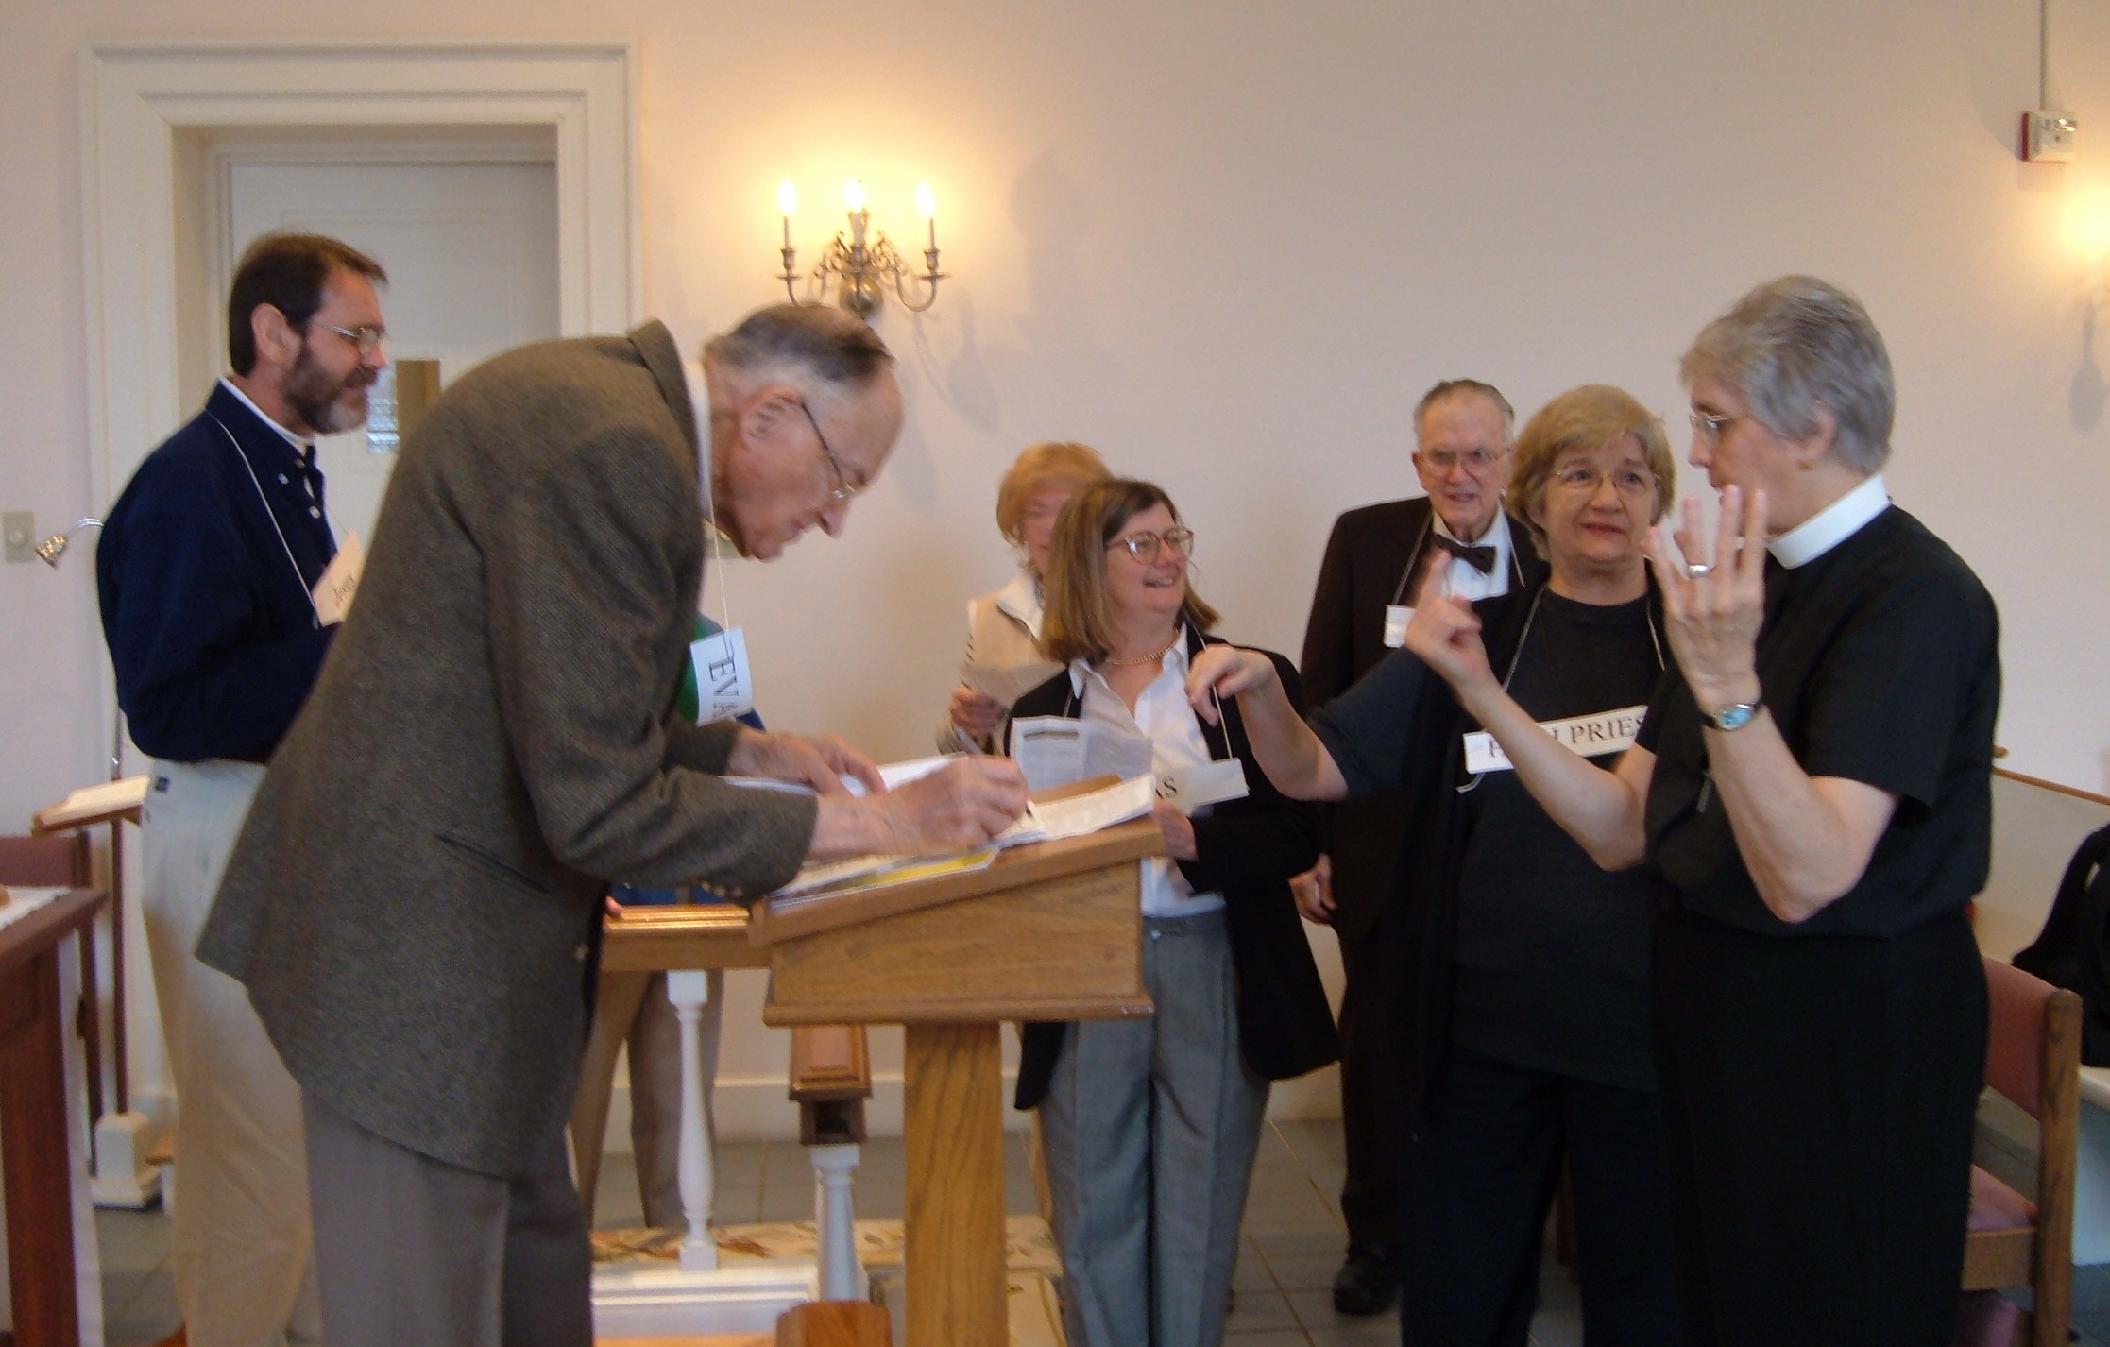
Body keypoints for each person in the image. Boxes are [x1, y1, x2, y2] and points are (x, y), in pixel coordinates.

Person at [197, 304, 1029, 1347]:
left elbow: (553, 719)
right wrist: (887, 825)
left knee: (538, 1293)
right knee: (426, 1318)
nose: (835, 520)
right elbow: (598, 806)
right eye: (845, 479)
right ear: (771, 413)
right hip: (416, 974)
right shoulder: (616, 449)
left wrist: (744, 752)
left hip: (463, 967)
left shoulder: (610, 407)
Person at [1396, 277, 1999, 1345]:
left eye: (1718, 423)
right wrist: (1480, 688)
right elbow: (1621, 826)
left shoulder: (1912, 596)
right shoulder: (1745, 583)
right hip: (1719, 1039)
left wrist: (1725, 680)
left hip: (1838, 1058)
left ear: (1811, 425)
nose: (1703, 456)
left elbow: (1808, 871)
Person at [1192, 386, 1682, 1344]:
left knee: (1649, 1314)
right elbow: (1317, 766)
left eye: (1633, 474)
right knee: (1460, 1306)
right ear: (1534, 497)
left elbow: (1642, 827)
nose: (1606, 496)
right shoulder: (1472, 635)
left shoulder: (1697, 647)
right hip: (1484, 1038)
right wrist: (1261, 691)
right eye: (1579, 472)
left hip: (1652, 1041)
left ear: (1658, 499)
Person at [96, 230, 388, 1347]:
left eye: (376, 336)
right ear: (273, 332)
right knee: (250, 1160)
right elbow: (169, 705)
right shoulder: (188, 483)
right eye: (352, 334)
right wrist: (354, 646)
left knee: (298, 1152)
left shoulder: (277, 467)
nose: (371, 359)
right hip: (224, 833)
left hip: (280, 832)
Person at [1008, 479, 1337, 1347]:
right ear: (1089, 563)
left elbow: (1303, 826)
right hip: (1087, 967)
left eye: (1174, 537)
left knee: (1199, 1204)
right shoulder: (1043, 708)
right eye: (1141, 544)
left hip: (1212, 954)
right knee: (1090, 1202)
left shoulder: (1245, 680)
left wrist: (1197, 841)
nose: (1168, 558)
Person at [1296, 378, 1545, 1313]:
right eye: (1442, 455)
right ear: (1416, 464)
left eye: (1480, 454)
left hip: (1504, 834)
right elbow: (1322, 686)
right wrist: (1311, 844)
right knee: (1379, 1035)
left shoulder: (1554, 548)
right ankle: (1376, 1236)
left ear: (1511, 463)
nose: (1461, 472)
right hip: (1382, 833)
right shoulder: (1366, 537)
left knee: (1490, 1035)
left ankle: (1481, 1234)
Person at [939, 440, 1112, 753]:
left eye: (1068, 511)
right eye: (1036, 512)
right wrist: (964, 726)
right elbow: (954, 747)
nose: (1051, 527)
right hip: (1024, 797)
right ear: (1020, 526)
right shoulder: (988, 614)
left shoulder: (1134, 604)